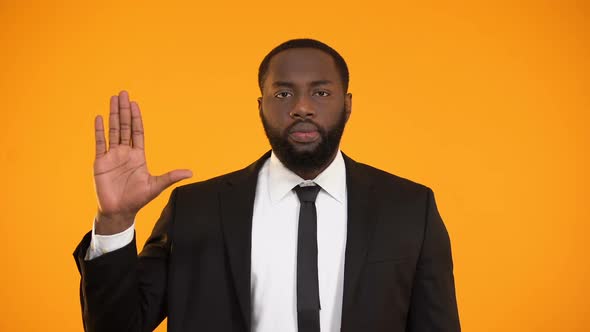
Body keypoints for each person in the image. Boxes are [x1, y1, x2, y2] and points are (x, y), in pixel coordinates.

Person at [73, 38, 461, 332]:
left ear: (348, 104)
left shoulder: (410, 207)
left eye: (321, 92)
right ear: (261, 106)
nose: (302, 107)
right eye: (283, 93)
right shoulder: (195, 209)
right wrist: (116, 222)